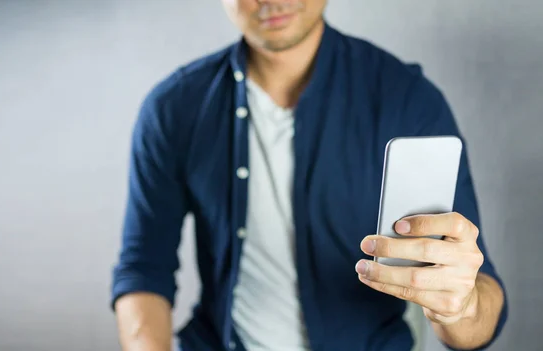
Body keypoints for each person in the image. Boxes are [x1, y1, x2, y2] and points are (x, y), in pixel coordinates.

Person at [110, 1, 508, 350]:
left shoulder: (407, 98)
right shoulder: (174, 108)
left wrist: (461, 306)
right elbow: (144, 268)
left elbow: (480, 302)